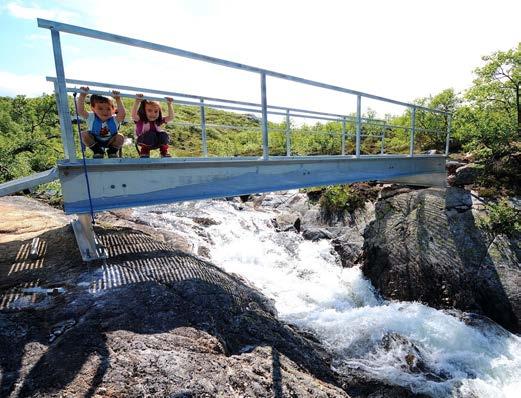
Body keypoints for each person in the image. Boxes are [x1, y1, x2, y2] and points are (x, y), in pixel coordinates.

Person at [77, 86, 126, 158]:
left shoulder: (115, 119)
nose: (105, 111)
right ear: (93, 109)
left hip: (110, 140)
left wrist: (118, 99)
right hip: (95, 140)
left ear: (113, 110)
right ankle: (98, 151)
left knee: (120, 137)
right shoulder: (91, 117)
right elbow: (80, 111)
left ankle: (112, 151)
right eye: (100, 108)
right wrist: (82, 95)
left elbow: (122, 114)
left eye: (108, 109)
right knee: (83, 134)